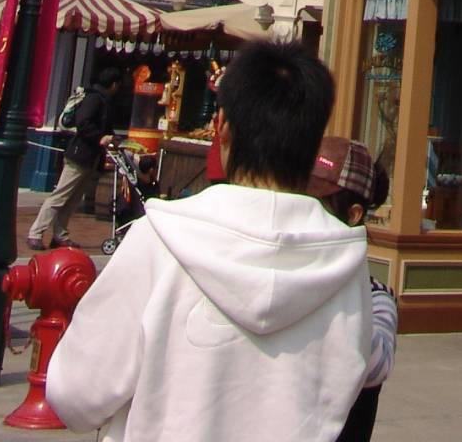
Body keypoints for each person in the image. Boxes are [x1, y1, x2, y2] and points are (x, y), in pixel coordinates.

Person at [46, 42, 373, 442]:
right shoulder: (345, 263)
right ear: (312, 141)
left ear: (222, 129)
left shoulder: (161, 239)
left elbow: (77, 393)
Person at [309, 139, 396, 442]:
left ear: (354, 214)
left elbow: (374, 365)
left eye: (316, 202)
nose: (304, 211)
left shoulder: (376, 299)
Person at [27, 64, 121, 250]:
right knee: (60, 196)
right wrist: (100, 137)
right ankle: (35, 233)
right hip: (79, 155)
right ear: (112, 84)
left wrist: (111, 138)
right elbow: (83, 123)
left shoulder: (105, 101)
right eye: (118, 84)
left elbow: (102, 127)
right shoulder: (95, 99)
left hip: (91, 158)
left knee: (73, 199)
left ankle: (60, 234)